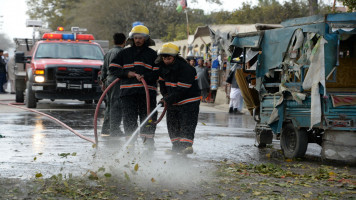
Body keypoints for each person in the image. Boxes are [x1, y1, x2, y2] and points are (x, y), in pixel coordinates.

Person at [109, 25, 158, 149]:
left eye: (141, 38)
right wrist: (127, 73)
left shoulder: (153, 55)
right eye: (136, 37)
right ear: (132, 38)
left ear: (146, 39)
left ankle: (148, 144)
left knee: (147, 117)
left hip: (147, 94)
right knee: (129, 118)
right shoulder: (124, 53)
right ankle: (130, 144)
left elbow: (158, 72)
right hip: (128, 93)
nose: (138, 40)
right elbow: (113, 68)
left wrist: (145, 76)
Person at [156, 43, 201, 154]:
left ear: (175, 57)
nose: (166, 60)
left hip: (188, 101)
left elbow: (181, 90)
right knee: (172, 124)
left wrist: (168, 99)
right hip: (173, 101)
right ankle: (176, 147)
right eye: (164, 58)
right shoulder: (162, 68)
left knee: (187, 123)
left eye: (169, 58)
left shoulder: (187, 69)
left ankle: (186, 146)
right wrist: (165, 97)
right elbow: (162, 85)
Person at [100, 33, 126, 136]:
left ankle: (106, 129)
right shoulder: (122, 53)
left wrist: (103, 81)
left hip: (108, 81)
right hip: (117, 81)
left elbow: (104, 69)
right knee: (117, 105)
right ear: (124, 41)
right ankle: (114, 129)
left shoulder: (109, 52)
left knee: (109, 105)